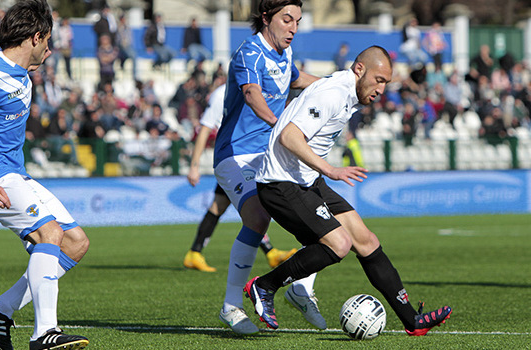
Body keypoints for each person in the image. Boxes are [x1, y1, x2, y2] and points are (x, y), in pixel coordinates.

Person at [242, 46, 452, 337]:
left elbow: (309, 84)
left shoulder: (344, 90)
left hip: (306, 180)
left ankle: (412, 321)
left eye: (386, 84)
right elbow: (290, 136)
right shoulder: (334, 93)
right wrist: (331, 170)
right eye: (378, 80)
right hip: (281, 183)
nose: (381, 89)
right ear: (359, 70)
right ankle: (264, 286)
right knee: (339, 244)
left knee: (366, 241)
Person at [0, 1, 90, 349]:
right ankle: (44, 333)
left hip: (15, 174)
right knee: (49, 233)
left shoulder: (22, 73)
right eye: (47, 40)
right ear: (35, 37)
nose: (50, 49)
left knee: (75, 243)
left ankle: (1, 309)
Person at [214, 0, 321, 335]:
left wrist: (338, 86)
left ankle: (301, 288)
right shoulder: (249, 53)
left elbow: (296, 77)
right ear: (266, 17)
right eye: (287, 20)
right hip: (237, 155)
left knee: (318, 213)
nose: (293, 28)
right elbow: (251, 94)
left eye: (298, 21)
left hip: (272, 152)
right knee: (258, 217)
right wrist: (280, 125)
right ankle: (231, 306)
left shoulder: (284, 53)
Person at [184, 83, 297, 272]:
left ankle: (194, 253)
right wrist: (194, 166)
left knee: (218, 206)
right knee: (253, 205)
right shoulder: (223, 94)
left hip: (242, 156)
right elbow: (205, 129)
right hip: (233, 159)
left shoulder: (254, 90)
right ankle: (270, 253)